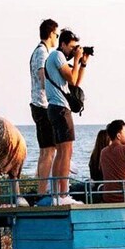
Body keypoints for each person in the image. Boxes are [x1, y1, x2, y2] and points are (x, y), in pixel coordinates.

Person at [42, 28, 91, 206]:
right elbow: (71, 78)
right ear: (63, 44)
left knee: (63, 152)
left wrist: (82, 63)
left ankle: (57, 193)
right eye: (72, 47)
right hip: (60, 108)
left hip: (57, 108)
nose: (73, 51)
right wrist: (77, 59)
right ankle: (62, 194)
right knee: (65, 152)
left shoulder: (59, 59)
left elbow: (76, 82)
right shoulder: (57, 56)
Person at [29, 19, 58, 197]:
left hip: (38, 104)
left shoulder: (39, 51)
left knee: (44, 151)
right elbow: (42, 77)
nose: (57, 38)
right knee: (49, 150)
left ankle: (42, 189)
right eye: (56, 34)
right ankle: (43, 192)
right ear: (50, 33)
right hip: (43, 105)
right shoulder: (42, 53)